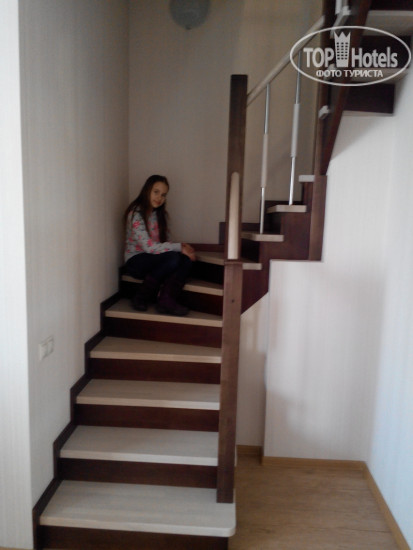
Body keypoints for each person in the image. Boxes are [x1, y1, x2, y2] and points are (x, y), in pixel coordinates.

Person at [123, 175, 195, 316]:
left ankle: (166, 300)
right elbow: (149, 247)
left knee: (185, 260)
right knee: (173, 258)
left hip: (155, 260)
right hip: (136, 261)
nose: (159, 198)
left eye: (163, 195)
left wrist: (183, 249)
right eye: (156, 192)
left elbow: (165, 244)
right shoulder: (136, 214)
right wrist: (179, 247)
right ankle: (141, 296)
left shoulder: (161, 215)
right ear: (147, 190)